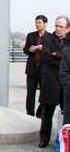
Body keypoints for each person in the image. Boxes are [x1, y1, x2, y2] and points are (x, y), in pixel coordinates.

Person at [38, 15, 70, 148]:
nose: (57, 29)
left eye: (61, 27)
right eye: (56, 26)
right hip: (50, 81)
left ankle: (65, 141)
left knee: (67, 115)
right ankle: (44, 139)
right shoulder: (47, 39)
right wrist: (62, 57)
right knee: (47, 114)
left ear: (68, 29)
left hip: (65, 85)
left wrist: (56, 54)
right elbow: (46, 57)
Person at [23, 15, 48, 117]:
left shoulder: (50, 37)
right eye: (36, 23)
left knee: (44, 93)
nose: (37, 25)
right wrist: (30, 49)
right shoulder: (31, 36)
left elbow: (52, 51)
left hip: (44, 69)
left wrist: (44, 48)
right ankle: (29, 113)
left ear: (45, 24)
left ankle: (40, 113)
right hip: (32, 68)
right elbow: (25, 49)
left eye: (39, 23)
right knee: (30, 93)